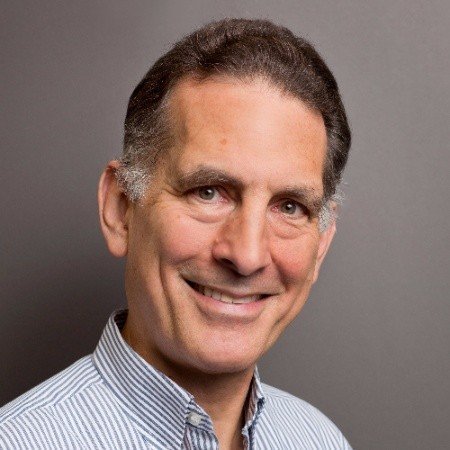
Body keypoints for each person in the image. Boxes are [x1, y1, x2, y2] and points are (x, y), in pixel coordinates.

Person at [0, 18, 352, 449]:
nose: (247, 255)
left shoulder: (319, 438)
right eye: (208, 192)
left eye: (290, 207)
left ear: (321, 247)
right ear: (120, 209)